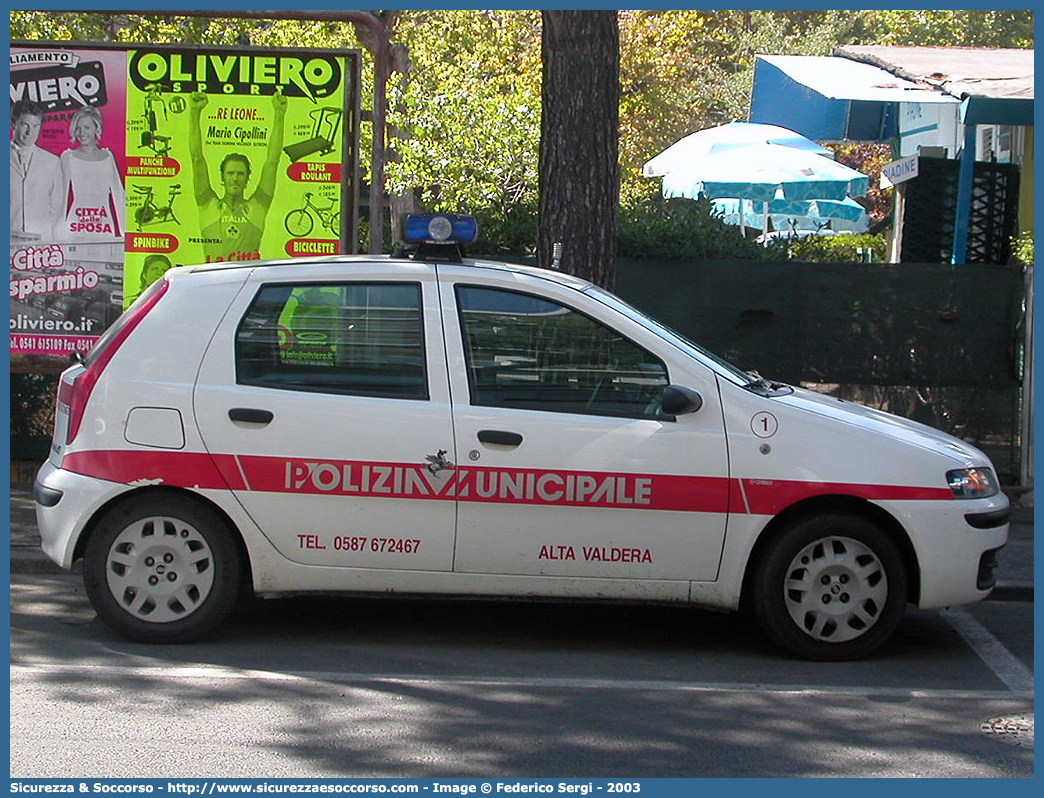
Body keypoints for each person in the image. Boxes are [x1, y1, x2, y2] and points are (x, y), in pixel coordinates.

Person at [188, 89, 287, 263]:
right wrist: (194, 112)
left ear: (247, 178)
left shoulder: (257, 207)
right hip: (213, 279)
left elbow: (272, 161)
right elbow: (197, 159)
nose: (235, 178)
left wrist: (279, 114)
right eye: (230, 173)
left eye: (240, 174)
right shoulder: (208, 205)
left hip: (248, 278)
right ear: (222, 177)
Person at [59, 105, 126, 242]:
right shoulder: (68, 157)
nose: (82, 133)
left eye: (87, 127)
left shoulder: (108, 156)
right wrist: (57, 233)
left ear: (96, 128)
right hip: (76, 223)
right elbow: (60, 196)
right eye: (78, 128)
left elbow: (119, 194)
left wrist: (125, 233)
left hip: (104, 223)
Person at [10, 99, 62, 240]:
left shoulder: (52, 161)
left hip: (40, 241)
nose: (29, 132)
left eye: (35, 126)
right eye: (24, 125)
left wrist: (43, 230)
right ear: (13, 124)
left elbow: (56, 205)